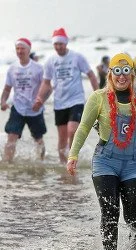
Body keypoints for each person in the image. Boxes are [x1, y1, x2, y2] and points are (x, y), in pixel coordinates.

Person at [66, 53, 136, 250]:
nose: (121, 76)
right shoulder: (98, 97)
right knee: (110, 212)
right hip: (105, 162)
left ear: (132, 73)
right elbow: (83, 128)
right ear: (110, 73)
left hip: (134, 162)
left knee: (135, 217)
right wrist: (73, 155)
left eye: (126, 71)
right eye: (117, 71)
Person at [34, 28, 98, 163]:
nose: (58, 47)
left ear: (66, 43)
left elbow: (91, 75)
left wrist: (98, 95)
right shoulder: (51, 61)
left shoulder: (77, 57)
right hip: (59, 102)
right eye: (56, 44)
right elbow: (46, 83)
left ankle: (73, 158)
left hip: (76, 100)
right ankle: (64, 165)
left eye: (61, 44)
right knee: (62, 138)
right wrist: (40, 98)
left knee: (72, 130)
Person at [1, 38, 46, 163]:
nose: (20, 51)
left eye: (22, 48)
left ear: (28, 50)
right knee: (11, 138)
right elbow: (6, 89)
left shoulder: (38, 68)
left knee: (38, 139)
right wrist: (3, 101)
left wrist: (40, 100)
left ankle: (41, 162)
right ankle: (7, 164)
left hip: (35, 110)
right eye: (17, 48)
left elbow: (47, 87)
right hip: (18, 108)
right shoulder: (12, 68)